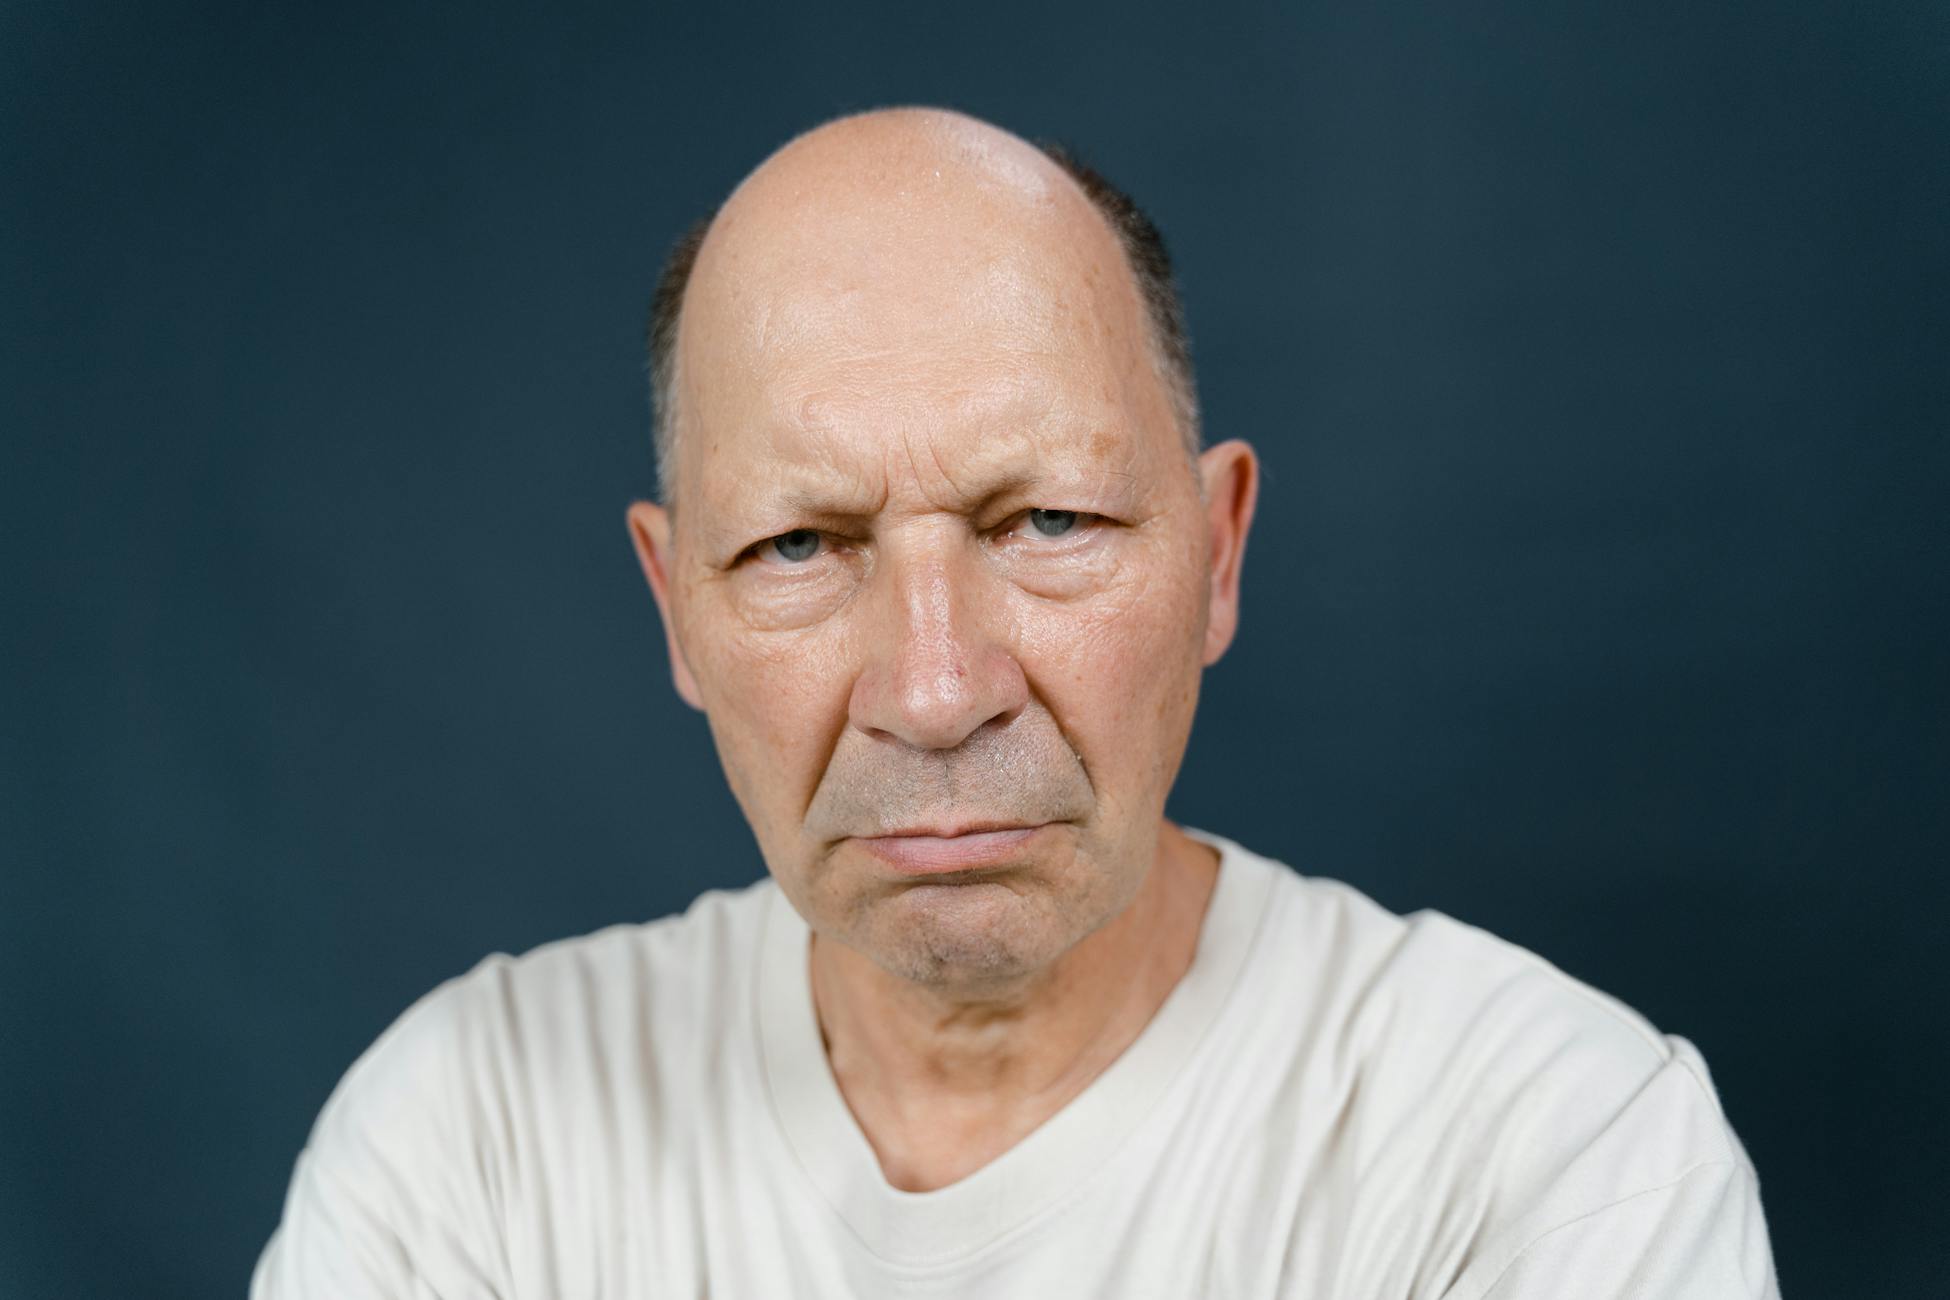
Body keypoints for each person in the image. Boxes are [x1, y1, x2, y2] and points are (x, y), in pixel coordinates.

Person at [251, 106, 1780, 1298]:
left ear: (1219, 553)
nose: (931, 691)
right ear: (677, 609)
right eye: (798, 545)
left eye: (1046, 523)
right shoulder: (471, 1143)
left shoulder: (1546, 1155)